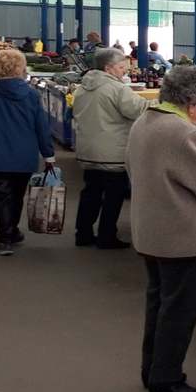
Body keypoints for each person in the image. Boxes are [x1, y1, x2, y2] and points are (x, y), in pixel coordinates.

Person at [127, 65, 196, 392]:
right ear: (191, 103)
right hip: (180, 233)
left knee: (159, 300)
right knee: (180, 308)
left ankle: (151, 369)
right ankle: (167, 376)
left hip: (151, 229)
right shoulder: (183, 133)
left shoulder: (144, 121)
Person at [72, 48, 150, 249]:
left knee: (91, 192)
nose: (125, 71)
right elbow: (137, 110)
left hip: (87, 150)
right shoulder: (117, 89)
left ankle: (83, 233)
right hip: (112, 152)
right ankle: (107, 236)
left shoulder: (82, 87)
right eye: (122, 67)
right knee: (114, 195)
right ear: (108, 68)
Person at [0, 48, 55, 256]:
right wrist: (48, 154)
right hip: (25, 154)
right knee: (17, 195)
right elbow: (41, 127)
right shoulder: (31, 94)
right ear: (21, 67)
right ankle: (12, 231)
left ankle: (5, 238)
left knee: (1, 196)